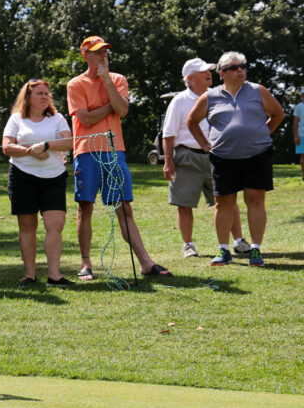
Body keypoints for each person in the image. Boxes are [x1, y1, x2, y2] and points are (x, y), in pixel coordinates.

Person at [67, 36, 169, 282]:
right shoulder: (75, 84)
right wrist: (110, 107)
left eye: (105, 51)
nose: (102, 55)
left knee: (124, 207)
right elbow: (86, 119)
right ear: (85, 55)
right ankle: (85, 263)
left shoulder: (118, 80)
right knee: (85, 208)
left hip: (114, 150)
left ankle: (145, 262)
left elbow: (122, 111)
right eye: (96, 51)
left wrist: (106, 82)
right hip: (86, 150)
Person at [187, 51, 284, 267]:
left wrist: (263, 133)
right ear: (222, 73)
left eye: (242, 65)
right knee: (223, 203)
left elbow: (278, 114)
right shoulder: (210, 97)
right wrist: (204, 144)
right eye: (234, 67)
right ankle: (223, 251)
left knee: (255, 200)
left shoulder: (258, 91)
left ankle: (256, 251)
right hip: (223, 157)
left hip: (258, 155)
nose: (240, 69)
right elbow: (192, 121)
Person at [162, 58, 251, 258]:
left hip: (218, 157)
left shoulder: (220, 96)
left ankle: (238, 241)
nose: (209, 73)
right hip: (187, 157)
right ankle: (188, 245)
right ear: (190, 78)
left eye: (209, 70)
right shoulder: (180, 101)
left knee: (228, 200)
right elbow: (168, 135)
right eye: (203, 71)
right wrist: (168, 162)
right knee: (184, 204)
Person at [2, 80, 74, 288]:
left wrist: (46, 145)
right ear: (28, 98)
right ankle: (30, 275)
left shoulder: (57, 118)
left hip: (54, 177)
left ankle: (54, 276)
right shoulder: (16, 119)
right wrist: (29, 150)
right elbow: (6, 146)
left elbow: (70, 142)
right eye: (39, 93)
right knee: (27, 227)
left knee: (54, 225)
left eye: (46, 93)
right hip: (23, 177)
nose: (45, 97)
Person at [293, 90, 304, 181]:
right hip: (302, 135)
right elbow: (295, 122)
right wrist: (296, 136)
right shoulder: (299, 107)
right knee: (303, 157)